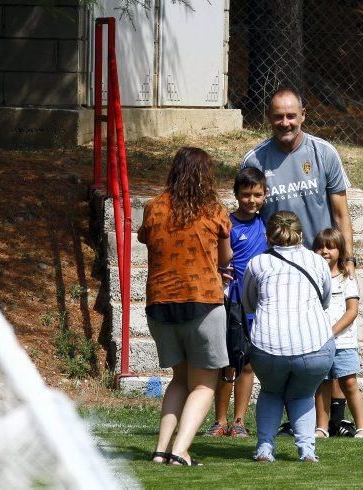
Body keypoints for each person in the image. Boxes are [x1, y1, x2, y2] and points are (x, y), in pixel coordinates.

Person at [137, 147, 233, 466]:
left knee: (179, 379)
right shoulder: (215, 210)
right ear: (207, 176)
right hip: (203, 302)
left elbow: (146, 239)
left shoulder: (153, 208)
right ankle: (180, 451)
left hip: (160, 306)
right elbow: (226, 258)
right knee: (205, 384)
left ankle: (161, 450)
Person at [242, 211, 335, 462]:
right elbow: (325, 300)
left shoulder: (257, 263)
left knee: (271, 392)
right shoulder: (317, 262)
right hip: (315, 345)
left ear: (268, 236)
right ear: (301, 235)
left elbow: (248, 304)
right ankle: (307, 450)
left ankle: (264, 448)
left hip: (268, 346)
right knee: (303, 395)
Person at [240, 86, 357, 277]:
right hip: (275, 267)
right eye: (278, 116)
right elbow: (246, 217)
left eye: (291, 116)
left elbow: (341, 215)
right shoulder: (253, 160)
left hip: (321, 263)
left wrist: (349, 260)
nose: (285, 123)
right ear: (268, 116)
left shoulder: (325, 153)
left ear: (303, 115)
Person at [204, 167, 268, 438]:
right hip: (230, 301)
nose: (251, 200)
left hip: (257, 304)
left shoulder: (267, 225)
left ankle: (239, 421)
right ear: (236, 195)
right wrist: (219, 271)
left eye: (257, 194)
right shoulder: (227, 224)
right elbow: (214, 258)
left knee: (248, 363)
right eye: (246, 195)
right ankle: (219, 420)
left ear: (265, 195)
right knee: (227, 361)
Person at [312, 229, 363, 439]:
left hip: (343, 341)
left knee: (349, 383)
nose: (324, 251)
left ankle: (362, 426)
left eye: (330, 247)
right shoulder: (312, 278)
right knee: (323, 383)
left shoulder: (347, 279)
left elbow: (352, 311)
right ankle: (322, 426)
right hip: (318, 341)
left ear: (340, 250)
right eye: (320, 246)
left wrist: (331, 331)